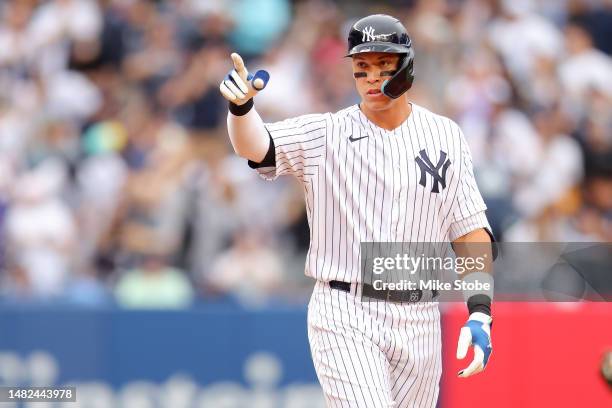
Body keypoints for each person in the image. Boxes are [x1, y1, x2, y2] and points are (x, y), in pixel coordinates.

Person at [219, 14, 494, 407]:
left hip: (420, 316)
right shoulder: (326, 133)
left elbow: (469, 230)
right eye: (362, 68)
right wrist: (242, 110)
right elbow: (256, 147)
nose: (372, 78)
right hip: (346, 308)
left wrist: (480, 311)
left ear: (407, 67)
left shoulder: (445, 135)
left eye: (384, 66)